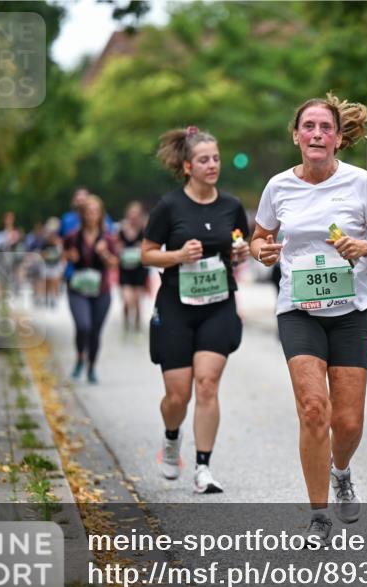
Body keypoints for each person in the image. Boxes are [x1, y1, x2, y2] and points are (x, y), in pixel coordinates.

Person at [250, 94, 367, 541]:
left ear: (337, 137)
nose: (317, 134)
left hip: (352, 312)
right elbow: (259, 237)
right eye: (309, 127)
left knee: (347, 422)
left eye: (325, 127)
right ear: (296, 136)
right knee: (314, 409)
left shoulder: (360, 183)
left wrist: (365, 247)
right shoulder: (278, 187)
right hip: (299, 311)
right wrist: (262, 251)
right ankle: (318, 515)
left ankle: (341, 471)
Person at [141, 126, 250, 494]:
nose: (212, 165)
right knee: (178, 396)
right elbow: (147, 254)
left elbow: (239, 245)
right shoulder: (169, 207)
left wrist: (240, 252)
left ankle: (203, 467)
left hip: (218, 304)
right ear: (188, 166)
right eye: (204, 160)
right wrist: (177, 255)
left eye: (216, 158)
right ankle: (172, 438)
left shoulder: (231, 206)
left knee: (207, 384)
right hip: (176, 306)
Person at [64, 195, 118, 384]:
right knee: (83, 326)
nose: (92, 215)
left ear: (101, 214)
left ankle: (92, 367)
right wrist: (69, 256)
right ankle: (80, 357)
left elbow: (114, 264)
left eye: (95, 212)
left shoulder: (107, 238)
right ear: (82, 214)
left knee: (95, 331)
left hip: (101, 290)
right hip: (78, 289)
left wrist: (104, 253)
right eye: (88, 212)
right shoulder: (73, 236)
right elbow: (64, 254)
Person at [116, 201, 149, 331]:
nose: (134, 216)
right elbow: (114, 245)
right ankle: (125, 323)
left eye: (136, 214)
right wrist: (118, 249)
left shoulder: (144, 229)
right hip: (125, 269)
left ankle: (137, 326)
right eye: (132, 214)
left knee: (137, 301)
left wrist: (142, 247)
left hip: (139, 270)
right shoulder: (121, 229)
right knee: (127, 300)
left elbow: (151, 246)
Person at [41, 217, 65, 309]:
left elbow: (62, 253)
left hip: (56, 265)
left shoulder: (59, 241)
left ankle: (55, 299)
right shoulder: (45, 241)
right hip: (47, 265)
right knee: (47, 282)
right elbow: (42, 253)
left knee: (55, 281)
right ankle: (47, 298)